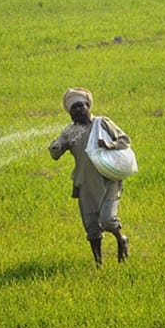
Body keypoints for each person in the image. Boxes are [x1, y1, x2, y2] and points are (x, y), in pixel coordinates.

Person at [49, 87, 131, 266]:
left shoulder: (101, 123)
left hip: (108, 181)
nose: (78, 111)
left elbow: (125, 140)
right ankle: (98, 263)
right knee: (92, 227)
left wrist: (110, 144)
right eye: (73, 109)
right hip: (85, 185)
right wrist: (57, 146)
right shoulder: (70, 132)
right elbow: (55, 154)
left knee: (107, 219)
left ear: (88, 106)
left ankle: (121, 238)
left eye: (80, 106)